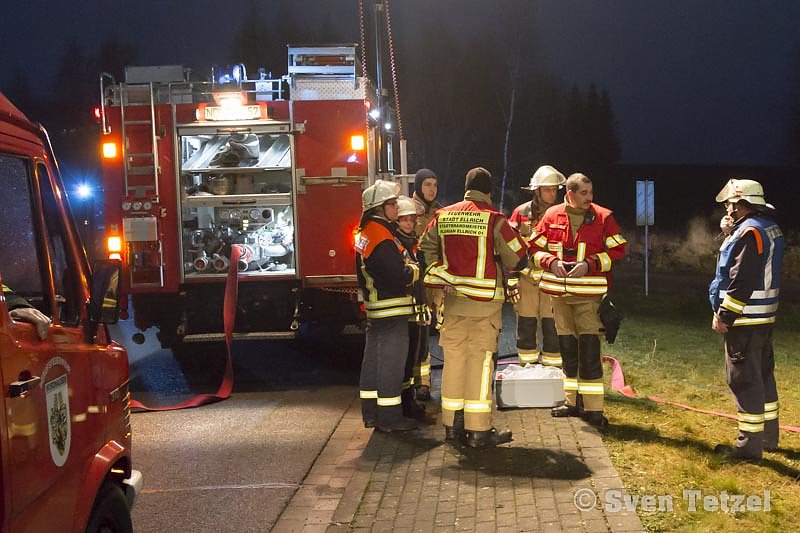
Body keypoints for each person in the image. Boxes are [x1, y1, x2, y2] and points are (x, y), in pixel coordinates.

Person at [420, 167, 527, 448]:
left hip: (453, 303)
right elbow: (519, 257)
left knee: (454, 362)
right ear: (489, 191)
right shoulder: (494, 219)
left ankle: (452, 426)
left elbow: (423, 251)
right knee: (479, 366)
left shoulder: (443, 216)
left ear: (466, 187)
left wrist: (440, 275)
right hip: (484, 306)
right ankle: (478, 430)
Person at [530, 173, 627, 429]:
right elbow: (533, 248)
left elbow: (618, 251)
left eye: (591, 193)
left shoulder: (603, 217)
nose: (589, 198)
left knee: (590, 352)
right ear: (570, 194)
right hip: (560, 297)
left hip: (589, 298)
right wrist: (551, 262)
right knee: (568, 351)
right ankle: (571, 403)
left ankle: (594, 410)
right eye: (584, 193)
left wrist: (590, 264)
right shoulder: (551, 216)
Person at [709, 179, 784, 461]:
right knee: (763, 377)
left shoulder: (749, 232)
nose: (727, 208)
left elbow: (741, 279)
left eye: (731, 204)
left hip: (745, 318)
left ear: (742, 204)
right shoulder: (766, 227)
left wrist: (725, 314)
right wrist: (730, 232)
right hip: (763, 318)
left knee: (743, 380)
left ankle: (748, 446)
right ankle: (768, 438)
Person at [355, 180, 420, 432]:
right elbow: (397, 274)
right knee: (391, 364)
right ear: (380, 208)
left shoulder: (367, 232)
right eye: (392, 204)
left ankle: (371, 413)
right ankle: (391, 418)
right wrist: (413, 270)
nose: (396, 208)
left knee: (373, 362)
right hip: (391, 309)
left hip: (376, 308)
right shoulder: (381, 236)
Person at [508, 165, 565, 367]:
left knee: (553, 328)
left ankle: (553, 371)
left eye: (554, 189)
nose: (552, 193)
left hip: (552, 280)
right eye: (547, 189)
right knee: (526, 326)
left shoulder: (562, 214)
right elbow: (509, 247)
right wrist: (512, 278)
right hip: (526, 280)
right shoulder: (520, 213)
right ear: (537, 190)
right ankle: (527, 369)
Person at [394, 196, 430, 421]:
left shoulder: (414, 242)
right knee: (405, 359)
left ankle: (410, 400)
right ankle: (405, 404)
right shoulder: (397, 244)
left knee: (415, 355)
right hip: (403, 310)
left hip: (415, 307)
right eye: (404, 220)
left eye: (411, 220)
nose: (409, 224)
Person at [411, 168, 442, 401]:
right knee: (421, 332)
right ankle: (422, 382)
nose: (431, 189)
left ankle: (453, 377)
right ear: (418, 186)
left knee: (447, 329)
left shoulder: (440, 212)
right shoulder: (408, 211)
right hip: (419, 280)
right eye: (427, 185)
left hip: (438, 280)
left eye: (434, 184)